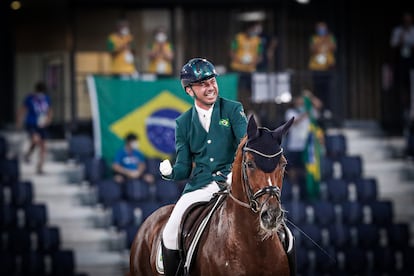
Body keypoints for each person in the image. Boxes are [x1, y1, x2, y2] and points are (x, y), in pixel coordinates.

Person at [159, 57, 248, 275]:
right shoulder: (183, 122)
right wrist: (170, 173)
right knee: (171, 230)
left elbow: (245, 145)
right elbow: (183, 167)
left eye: (212, 81)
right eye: (202, 84)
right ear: (189, 91)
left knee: (284, 234)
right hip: (201, 186)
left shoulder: (233, 109)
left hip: (232, 181)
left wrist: (235, 174)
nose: (210, 87)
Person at [284, 90, 322, 194]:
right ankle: (291, 190)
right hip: (294, 146)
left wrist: (310, 96)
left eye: (302, 99)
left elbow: (319, 105)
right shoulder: (290, 112)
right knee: (292, 169)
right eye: (299, 99)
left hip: (306, 148)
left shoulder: (310, 111)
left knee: (305, 170)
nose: (301, 101)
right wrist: (306, 113)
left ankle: (304, 190)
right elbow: (294, 122)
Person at [16, 81, 53, 174]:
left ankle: (40, 167)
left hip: (42, 124)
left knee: (43, 146)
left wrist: (48, 120)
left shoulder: (47, 99)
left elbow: (49, 110)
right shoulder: (30, 98)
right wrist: (19, 121)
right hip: (31, 123)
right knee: (35, 140)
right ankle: (28, 154)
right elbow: (22, 109)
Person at [390, 12, 414, 130]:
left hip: (412, 62)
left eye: (409, 20)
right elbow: (393, 45)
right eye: (405, 20)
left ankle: (411, 109)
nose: (407, 23)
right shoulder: (398, 31)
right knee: (402, 86)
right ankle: (404, 110)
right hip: (401, 62)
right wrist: (401, 39)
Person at [230, 20, 264, 101]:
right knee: (237, 91)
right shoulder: (238, 38)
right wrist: (240, 60)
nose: (253, 31)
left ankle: (250, 109)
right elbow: (232, 52)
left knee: (252, 93)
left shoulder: (258, 40)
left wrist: (254, 62)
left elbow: (260, 56)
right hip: (238, 69)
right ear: (248, 28)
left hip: (250, 70)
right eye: (252, 29)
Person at [308, 21, 337, 115]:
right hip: (316, 67)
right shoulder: (314, 38)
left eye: (323, 28)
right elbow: (313, 49)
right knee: (317, 89)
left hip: (328, 67)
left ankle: (327, 110)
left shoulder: (330, 37)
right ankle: (318, 110)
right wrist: (322, 42)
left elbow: (333, 47)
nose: (321, 30)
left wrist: (325, 41)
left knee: (327, 90)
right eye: (319, 28)